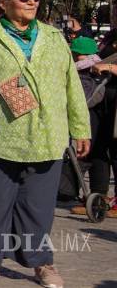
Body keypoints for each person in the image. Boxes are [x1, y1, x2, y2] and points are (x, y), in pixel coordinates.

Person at [0, 0, 91, 287]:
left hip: (47, 136)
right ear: (3, 2)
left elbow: (72, 84)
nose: (32, 2)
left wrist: (81, 128)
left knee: (38, 208)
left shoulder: (53, 37)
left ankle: (41, 262)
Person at [69, 36, 116, 218]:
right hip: (101, 101)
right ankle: (98, 199)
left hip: (113, 103)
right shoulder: (110, 37)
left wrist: (109, 67)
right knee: (97, 150)